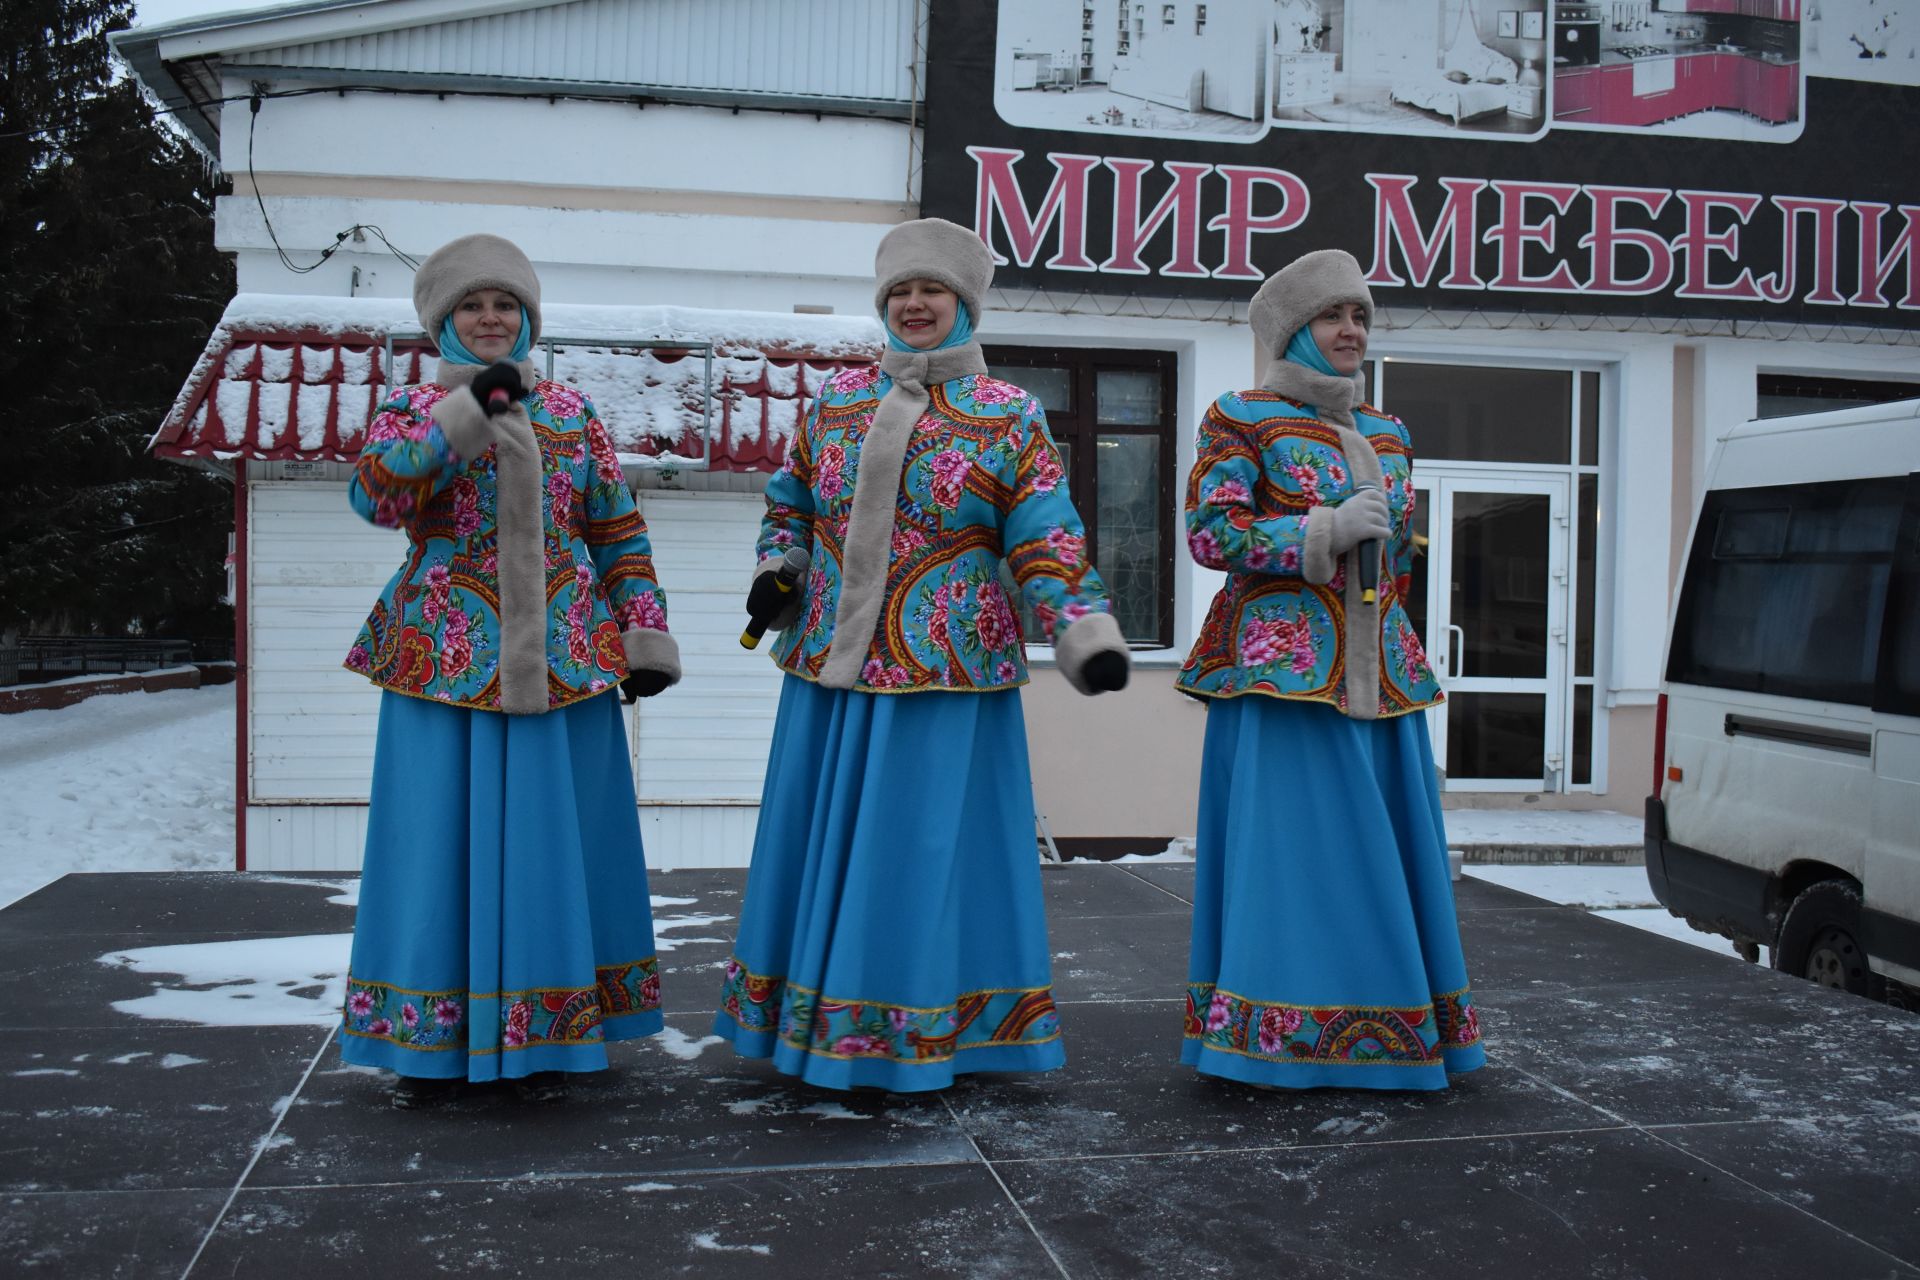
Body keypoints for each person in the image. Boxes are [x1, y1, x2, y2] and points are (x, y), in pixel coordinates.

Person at [714, 217, 1131, 1092]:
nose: (914, 305)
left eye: (931, 290)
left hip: (948, 669)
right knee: (826, 845)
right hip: (831, 667)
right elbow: (790, 506)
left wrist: (1078, 623)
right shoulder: (832, 407)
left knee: (926, 852)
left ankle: (934, 1023)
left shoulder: (1009, 414)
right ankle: (818, 1019)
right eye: (900, 291)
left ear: (964, 304)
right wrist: (778, 568)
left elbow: (1044, 533)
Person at [339, 233, 682, 1106]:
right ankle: (439, 1036)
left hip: (564, 663)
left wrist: (644, 631)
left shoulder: (572, 414)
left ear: (528, 319)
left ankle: (553, 1030)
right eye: (471, 306)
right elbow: (378, 497)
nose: (490, 319)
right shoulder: (408, 411)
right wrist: (470, 413)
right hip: (445, 663)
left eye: (506, 306)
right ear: (441, 323)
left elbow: (614, 529)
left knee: (556, 848)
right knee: (438, 851)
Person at [1175, 249, 1484, 1091]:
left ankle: (1388, 1027)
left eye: (1361, 318)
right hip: (1283, 681)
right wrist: (1323, 530)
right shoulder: (1240, 415)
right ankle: (1275, 1031)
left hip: (1377, 680)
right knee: (1294, 859)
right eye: (1332, 316)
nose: (1350, 332)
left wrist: (1390, 638)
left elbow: (1398, 565)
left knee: (1382, 857)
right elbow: (1212, 536)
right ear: (1289, 330)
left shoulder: (1388, 432)